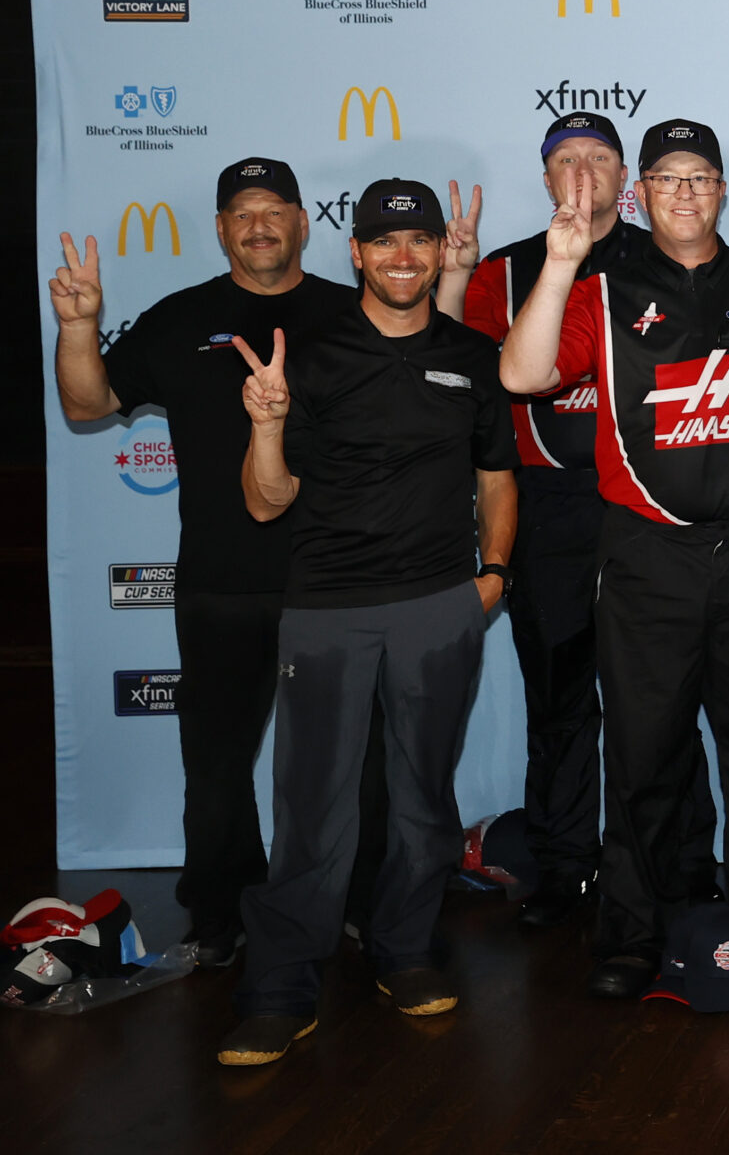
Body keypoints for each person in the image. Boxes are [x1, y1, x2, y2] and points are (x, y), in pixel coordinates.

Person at [497, 118, 729, 1002]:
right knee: (644, 754)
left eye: (702, 177)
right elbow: (523, 375)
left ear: (723, 193)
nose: (686, 192)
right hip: (648, 556)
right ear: (638, 193)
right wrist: (564, 260)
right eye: (668, 178)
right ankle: (634, 932)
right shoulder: (602, 286)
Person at [214, 180, 517, 1064]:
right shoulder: (305, 356)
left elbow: (498, 475)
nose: (402, 257)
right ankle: (278, 990)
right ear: (355, 252)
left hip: (438, 606)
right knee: (314, 808)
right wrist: (266, 425)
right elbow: (265, 504)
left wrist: (491, 576)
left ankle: (406, 952)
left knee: (423, 801)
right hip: (328, 610)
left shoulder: (471, 354)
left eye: (419, 241)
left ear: (435, 253)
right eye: (385, 242)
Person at [50, 157, 361, 967]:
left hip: (336, 583)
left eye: (275, 210)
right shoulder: (177, 318)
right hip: (219, 585)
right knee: (217, 767)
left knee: (349, 762)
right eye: (242, 213)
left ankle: (352, 901)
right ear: (221, 229)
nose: (260, 225)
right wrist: (80, 325)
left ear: (302, 221)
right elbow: (88, 404)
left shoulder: (352, 315)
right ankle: (220, 911)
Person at [461, 112, 722, 928]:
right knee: (561, 698)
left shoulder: (669, 262)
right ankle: (566, 866)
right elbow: (476, 396)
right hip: (551, 511)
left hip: (651, 506)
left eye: (599, 159)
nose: (580, 173)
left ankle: (682, 867)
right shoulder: (501, 274)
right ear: (543, 178)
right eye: (564, 159)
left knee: (669, 700)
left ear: (628, 183)